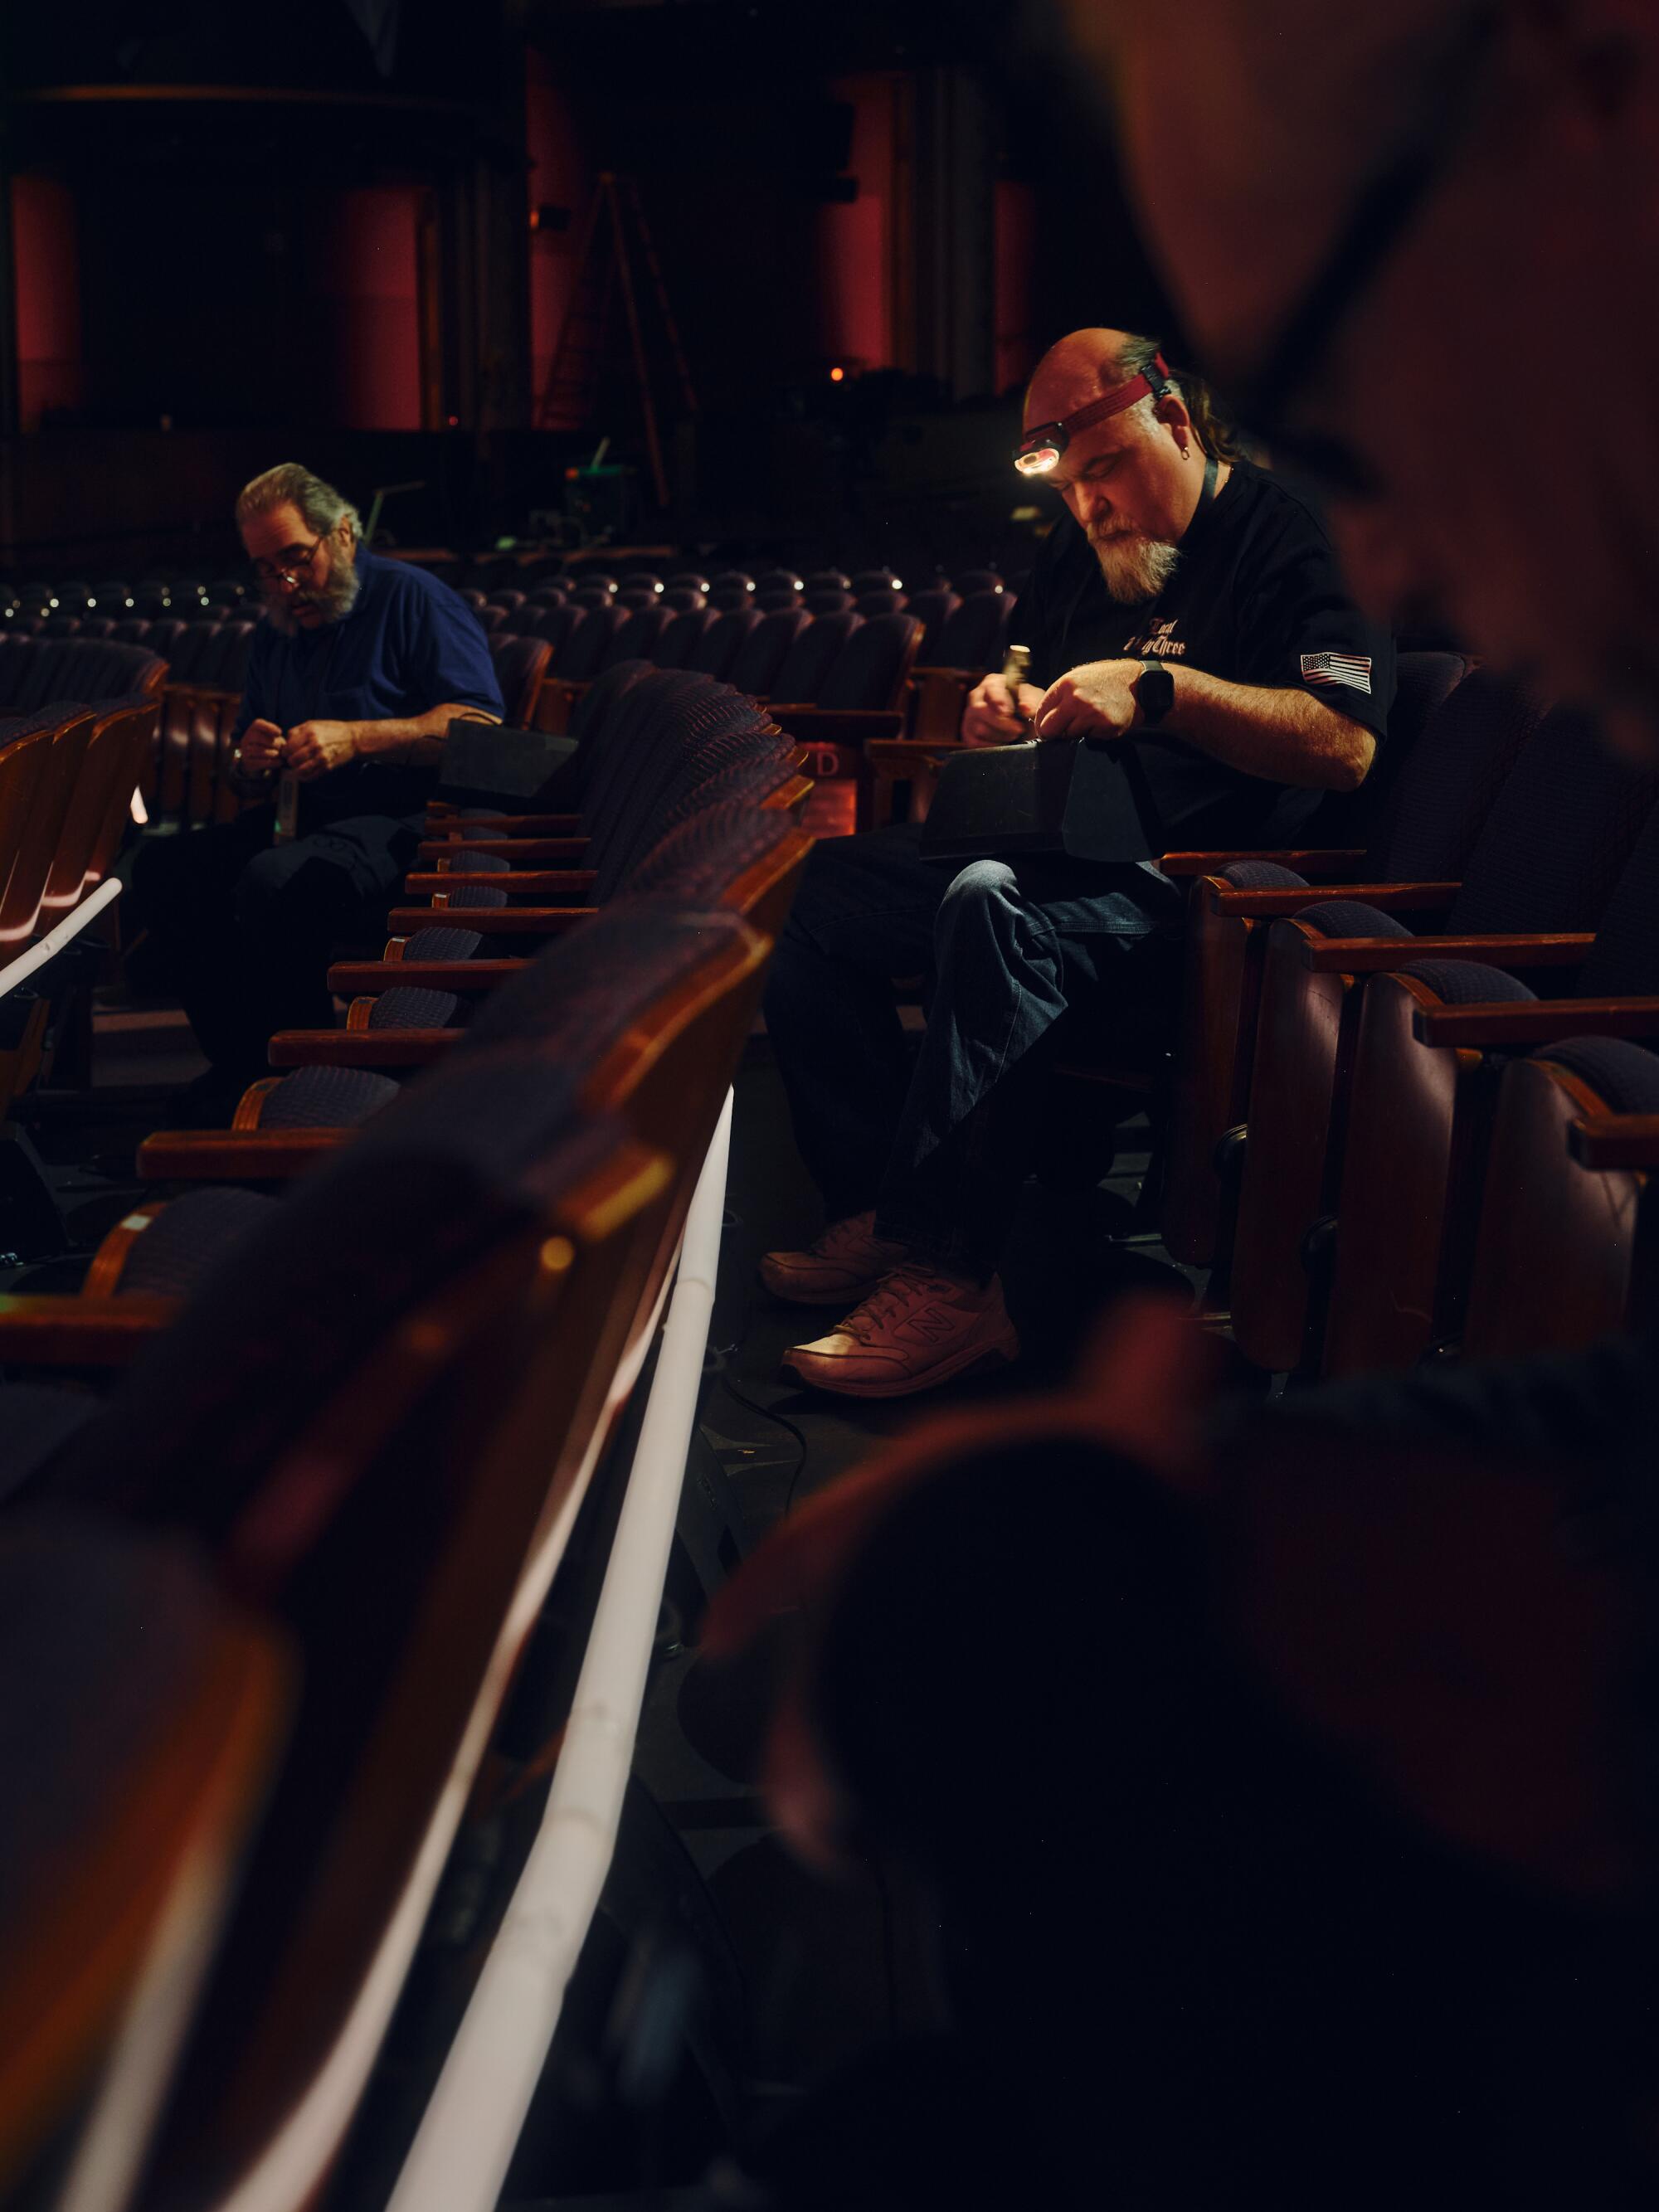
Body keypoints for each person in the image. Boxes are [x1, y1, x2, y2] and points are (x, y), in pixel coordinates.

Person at [760, 326, 1394, 1397]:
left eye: (1104, 471)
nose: (1088, 507)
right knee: (812, 888)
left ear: (1177, 420)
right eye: (1068, 486)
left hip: (1208, 897)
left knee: (989, 902)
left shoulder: (1296, 535)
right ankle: (878, 1209)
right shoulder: (1078, 553)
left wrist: (1161, 691)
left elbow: (1346, 741)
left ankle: (952, 1282)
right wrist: (1001, 709)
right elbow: (1047, 691)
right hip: (1061, 844)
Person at [130, 463, 503, 1115]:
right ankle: (245, 1065)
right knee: (164, 868)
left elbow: (480, 726)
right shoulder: (277, 630)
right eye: (267, 569)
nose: (286, 582)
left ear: (343, 535)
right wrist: (250, 760)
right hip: (308, 817)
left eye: (296, 559)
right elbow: (245, 771)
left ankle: (310, 1087)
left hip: (405, 818)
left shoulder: (413, 598)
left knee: (277, 882)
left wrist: (358, 738)